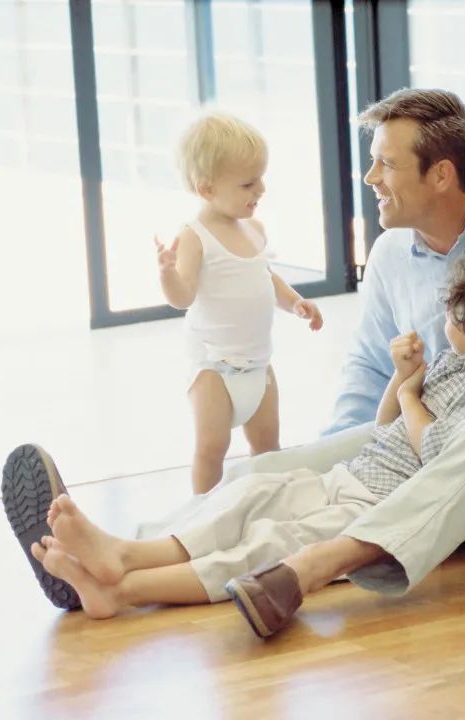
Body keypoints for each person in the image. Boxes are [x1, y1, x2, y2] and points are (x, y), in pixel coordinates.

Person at [4, 88, 465, 630]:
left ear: (439, 173)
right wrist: (336, 465)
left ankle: (258, 561)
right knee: (276, 474)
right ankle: (116, 556)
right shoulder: (391, 256)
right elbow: (371, 372)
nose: (369, 179)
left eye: (384, 164)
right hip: (413, 449)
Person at [15, 250, 465, 634]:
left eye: (454, 313)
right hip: (351, 477)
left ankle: (123, 591)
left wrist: (416, 398)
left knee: (268, 545)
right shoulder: (454, 362)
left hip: (377, 506)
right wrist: (404, 378)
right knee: (248, 498)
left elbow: (440, 453)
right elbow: (386, 423)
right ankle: (126, 554)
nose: (445, 320)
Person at [158, 112, 323, 494]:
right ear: (207, 189)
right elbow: (183, 297)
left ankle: (264, 501)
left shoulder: (254, 229)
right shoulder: (195, 236)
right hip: (215, 367)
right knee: (211, 448)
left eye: (261, 178)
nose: (261, 189)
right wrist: (167, 273)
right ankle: (201, 513)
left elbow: (264, 277)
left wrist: (296, 302)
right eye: (249, 183)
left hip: (259, 364)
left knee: (267, 447)